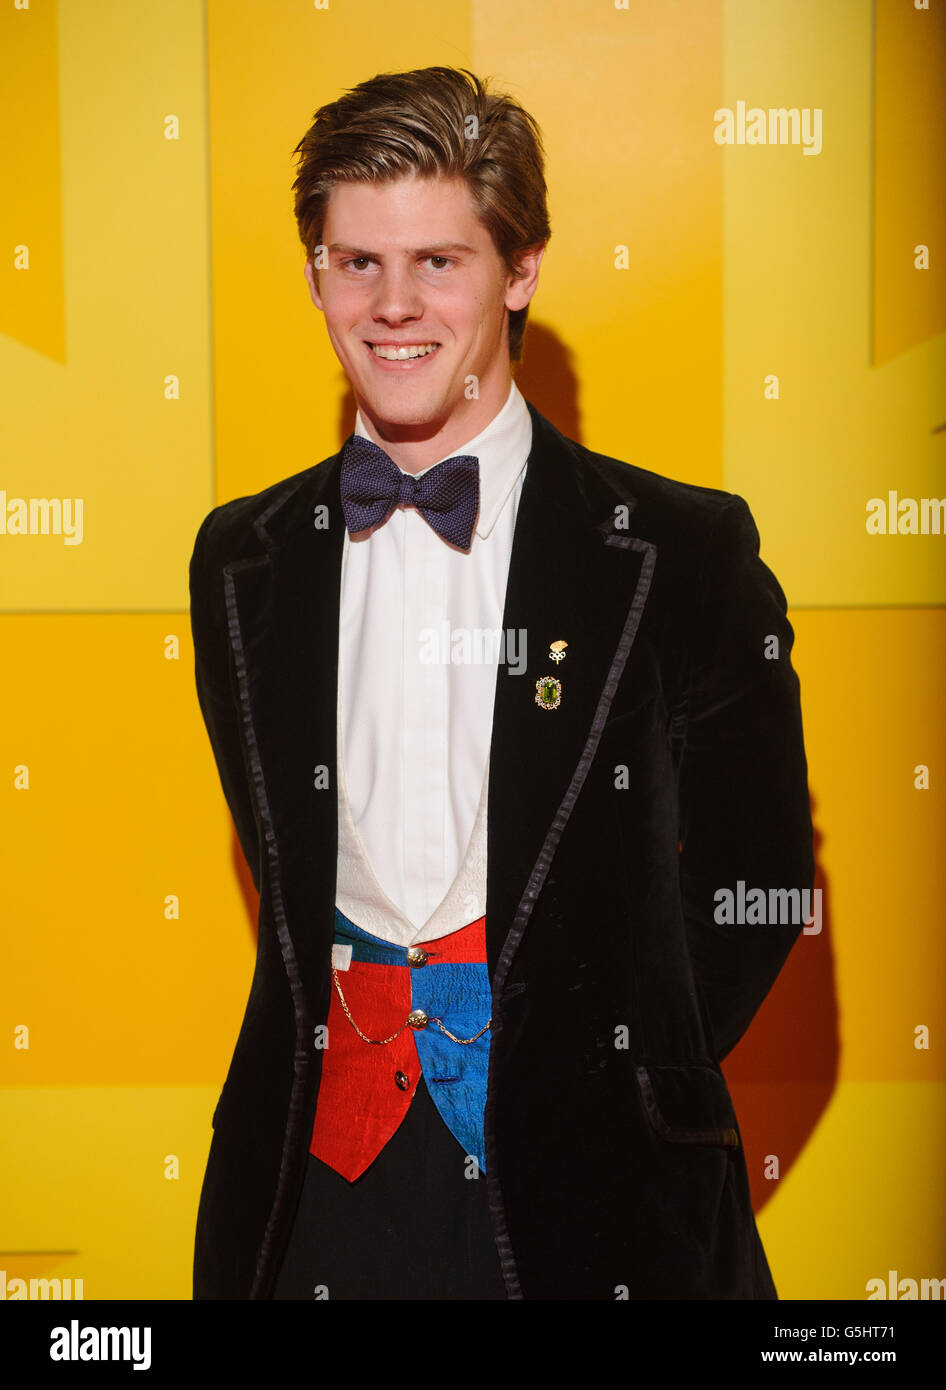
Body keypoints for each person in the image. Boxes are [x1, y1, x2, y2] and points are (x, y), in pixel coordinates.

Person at [189, 65, 814, 1301]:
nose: (392, 305)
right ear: (314, 272)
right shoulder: (238, 560)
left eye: (439, 262)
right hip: (308, 1181)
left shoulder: (685, 551)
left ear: (520, 270)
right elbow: (285, 860)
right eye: (355, 261)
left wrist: (619, 1066)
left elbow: (762, 879)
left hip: (598, 1197)